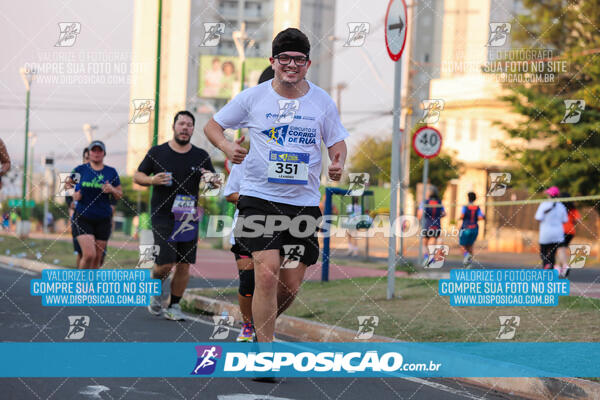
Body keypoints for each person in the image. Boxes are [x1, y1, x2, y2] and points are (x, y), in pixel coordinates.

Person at [204, 28, 348, 347]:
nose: (292, 65)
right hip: (260, 199)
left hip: (303, 204)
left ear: (308, 64)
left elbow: (337, 141)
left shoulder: (321, 101)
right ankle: (265, 350)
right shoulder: (253, 98)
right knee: (266, 274)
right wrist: (226, 147)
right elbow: (213, 125)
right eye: (285, 58)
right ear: (273, 60)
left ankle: (260, 326)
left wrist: (338, 162)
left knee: (290, 286)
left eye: (299, 59)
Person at [134, 110, 216, 321]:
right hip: (162, 215)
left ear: (192, 129)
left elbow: (215, 185)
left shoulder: (201, 156)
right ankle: (155, 287)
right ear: (173, 126)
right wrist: (152, 181)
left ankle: (175, 305)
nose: (185, 127)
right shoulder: (157, 152)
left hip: (187, 216)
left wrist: (211, 179)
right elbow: (138, 175)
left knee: (184, 264)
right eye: (181, 123)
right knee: (165, 263)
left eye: (189, 124)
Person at [71, 141, 122, 269]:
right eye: (94, 150)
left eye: (100, 150)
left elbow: (119, 195)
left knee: (97, 259)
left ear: (104, 153)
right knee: (89, 255)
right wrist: (74, 194)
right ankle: (81, 285)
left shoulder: (111, 172)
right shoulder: (81, 170)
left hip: (103, 219)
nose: (96, 153)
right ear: (89, 153)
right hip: (83, 217)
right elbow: (67, 184)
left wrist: (112, 189)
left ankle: (91, 287)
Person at [223, 161, 256, 342]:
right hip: (246, 227)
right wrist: (256, 199)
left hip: (279, 227)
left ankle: (266, 324)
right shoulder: (244, 162)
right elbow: (229, 195)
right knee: (248, 282)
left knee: (271, 282)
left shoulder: (288, 160)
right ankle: (247, 325)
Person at [534, 186, 568, 276]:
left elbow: (538, 218)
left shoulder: (544, 204)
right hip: (558, 234)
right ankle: (562, 266)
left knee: (545, 253)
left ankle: (547, 266)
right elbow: (565, 220)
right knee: (556, 251)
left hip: (545, 234)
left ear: (549, 195)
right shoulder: (561, 206)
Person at [67, 147, 90, 267]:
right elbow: (66, 189)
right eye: (87, 158)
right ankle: (79, 278)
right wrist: (71, 202)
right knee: (82, 253)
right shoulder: (78, 173)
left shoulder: (102, 174)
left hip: (97, 219)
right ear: (83, 159)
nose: (89, 160)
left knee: (95, 254)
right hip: (79, 217)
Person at [417, 185, 446, 267]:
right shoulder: (439, 202)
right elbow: (444, 214)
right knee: (432, 243)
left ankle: (426, 258)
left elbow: (420, 214)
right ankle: (431, 258)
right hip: (436, 225)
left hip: (427, 225)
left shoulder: (425, 202)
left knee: (424, 244)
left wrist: (419, 219)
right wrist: (438, 216)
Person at [558, 192, 581, 277]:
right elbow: (578, 220)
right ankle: (562, 270)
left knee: (561, 249)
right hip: (571, 232)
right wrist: (572, 222)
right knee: (562, 249)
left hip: (561, 231)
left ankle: (564, 266)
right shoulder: (573, 209)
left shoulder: (559, 208)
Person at [458, 192, 485, 267]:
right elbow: (481, 217)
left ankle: (466, 257)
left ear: (468, 198)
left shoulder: (465, 207)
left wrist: (459, 218)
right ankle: (469, 263)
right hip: (475, 229)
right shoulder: (477, 207)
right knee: (470, 246)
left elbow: (462, 216)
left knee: (462, 246)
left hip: (466, 228)